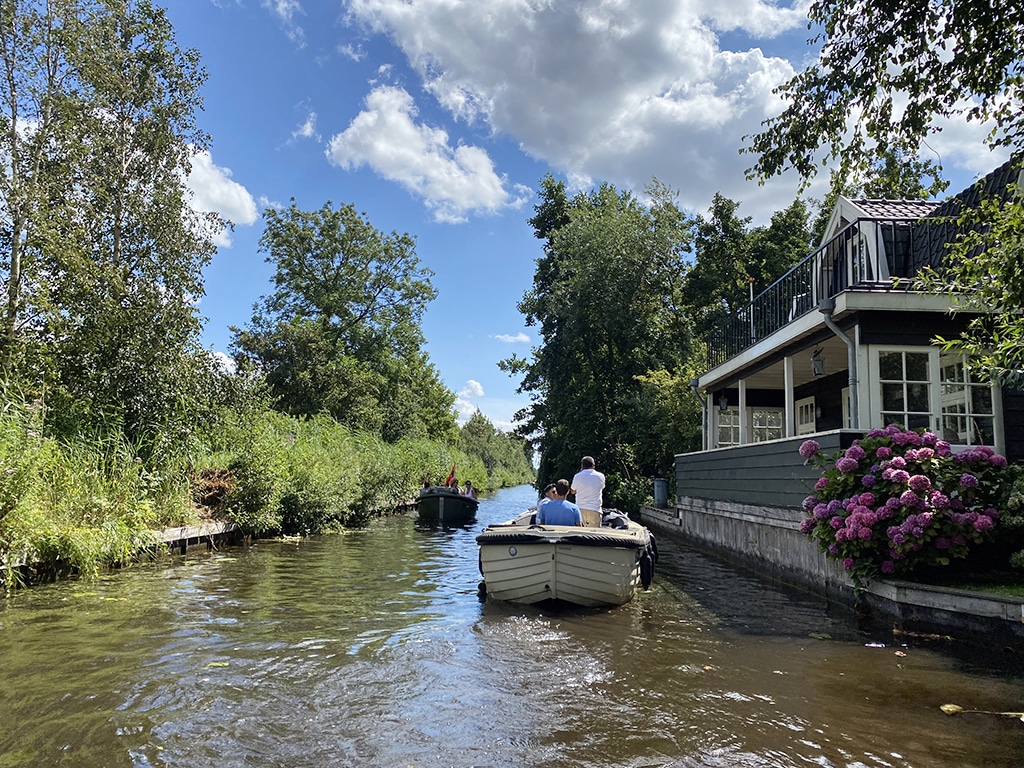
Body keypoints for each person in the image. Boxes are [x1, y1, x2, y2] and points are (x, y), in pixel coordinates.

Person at [571, 455, 605, 527]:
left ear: (582, 466)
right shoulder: (601, 476)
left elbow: (572, 491)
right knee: (594, 535)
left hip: (580, 509)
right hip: (595, 509)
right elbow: (601, 487)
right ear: (593, 466)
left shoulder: (577, 476)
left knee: (580, 534)